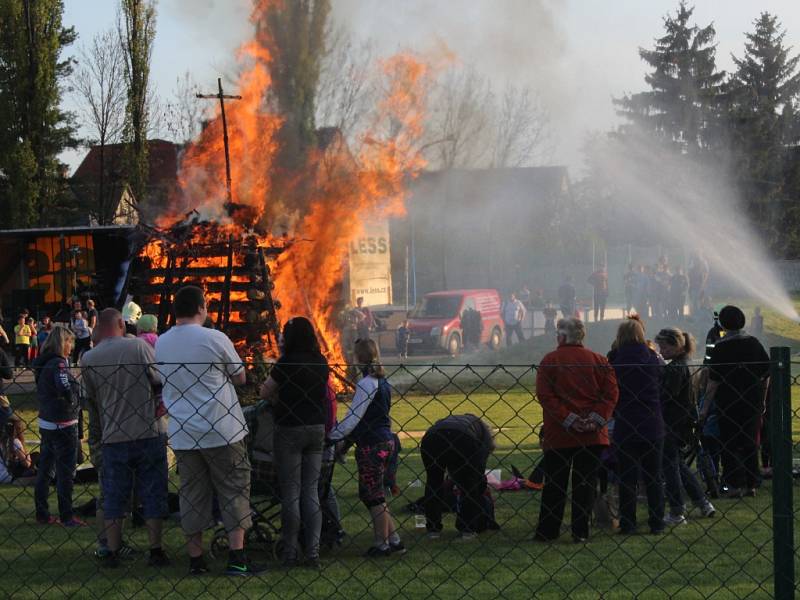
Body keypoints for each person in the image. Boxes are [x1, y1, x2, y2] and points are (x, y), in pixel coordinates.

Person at [154, 285, 263, 577]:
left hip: (184, 432)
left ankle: (196, 560)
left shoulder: (162, 343)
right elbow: (239, 376)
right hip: (222, 429)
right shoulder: (215, 337)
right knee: (234, 489)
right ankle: (237, 558)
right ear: (202, 308)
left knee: (192, 495)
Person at [81, 309, 169, 568]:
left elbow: (93, 400)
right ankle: (156, 550)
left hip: (113, 435)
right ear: (121, 323)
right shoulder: (139, 348)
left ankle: (112, 550)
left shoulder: (89, 359)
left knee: (114, 495)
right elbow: (159, 379)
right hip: (147, 430)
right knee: (153, 492)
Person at [534, 317, 619, 543]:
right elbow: (610, 395)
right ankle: (580, 532)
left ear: (562, 336)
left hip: (560, 433)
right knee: (585, 484)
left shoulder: (550, 360)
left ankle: (548, 531)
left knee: (555, 484)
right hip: (592, 435)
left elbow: (546, 396)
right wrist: (595, 419)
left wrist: (569, 418)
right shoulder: (599, 360)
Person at [259, 317, 329, 568]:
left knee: (290, 491)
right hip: (316, 428)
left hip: (289, 428)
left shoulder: (286, 363)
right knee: (310, 490)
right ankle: (313, 551)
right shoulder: (321, 362)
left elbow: (265, 391)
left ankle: (290, 551)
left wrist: (279, 401)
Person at [328, 339, 404, 557]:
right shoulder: (382, 381)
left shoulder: (366, 383)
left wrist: (332, 436)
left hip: (372, 444)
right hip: (386, 440)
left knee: (372, 496)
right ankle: (395, 540)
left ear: (359, 357)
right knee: (376, 493)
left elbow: (354, 417)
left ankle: (381, 544)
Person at [703, 305, 769, 498]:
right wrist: (763, 399)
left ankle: (734, 484)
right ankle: (751, 484)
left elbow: (713, 382)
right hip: (752, 399)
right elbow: (765, 374)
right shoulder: (754, 343)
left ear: (723, 323)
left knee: (729, 443)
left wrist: (704, 409)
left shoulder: (721, 347)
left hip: (728, 401)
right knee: (749, 441)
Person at [609, 316, 665, 535]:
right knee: (654, 477)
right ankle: (656, 522)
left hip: (626, 422)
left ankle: (628, 523)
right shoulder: (653, 358)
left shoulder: (614, 359)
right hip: (652, 421)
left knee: (627, 478)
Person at [654, 327, 716, 523]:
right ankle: (703, 503)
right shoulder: (685, 363)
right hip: (684, 422)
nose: (661, 349)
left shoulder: (675, 368)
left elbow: (665, 395)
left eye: (664, 346)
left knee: (670, 466)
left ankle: (676, 510)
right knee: (678, 464)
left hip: (672, 422)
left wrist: (659, 371)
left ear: (676, 345)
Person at [33, 325, 85, 527]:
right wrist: (73, 401)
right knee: (65, 471)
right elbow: (63, 385)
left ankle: (42, 513)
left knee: (45, 469)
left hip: (47, 421)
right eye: (70, 342)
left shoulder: (43, 362)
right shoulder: (59, 364)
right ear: (63, 342)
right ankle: (67, 515)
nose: (71, 347)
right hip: (63, 423)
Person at [420, 414, 497, 539]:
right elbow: (478, 475)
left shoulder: (460, 421)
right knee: (470, 484)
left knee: (433, 481)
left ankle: (433, 529)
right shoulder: (484, 437)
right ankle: (468, 528)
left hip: (432, 436)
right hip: (463, 437)